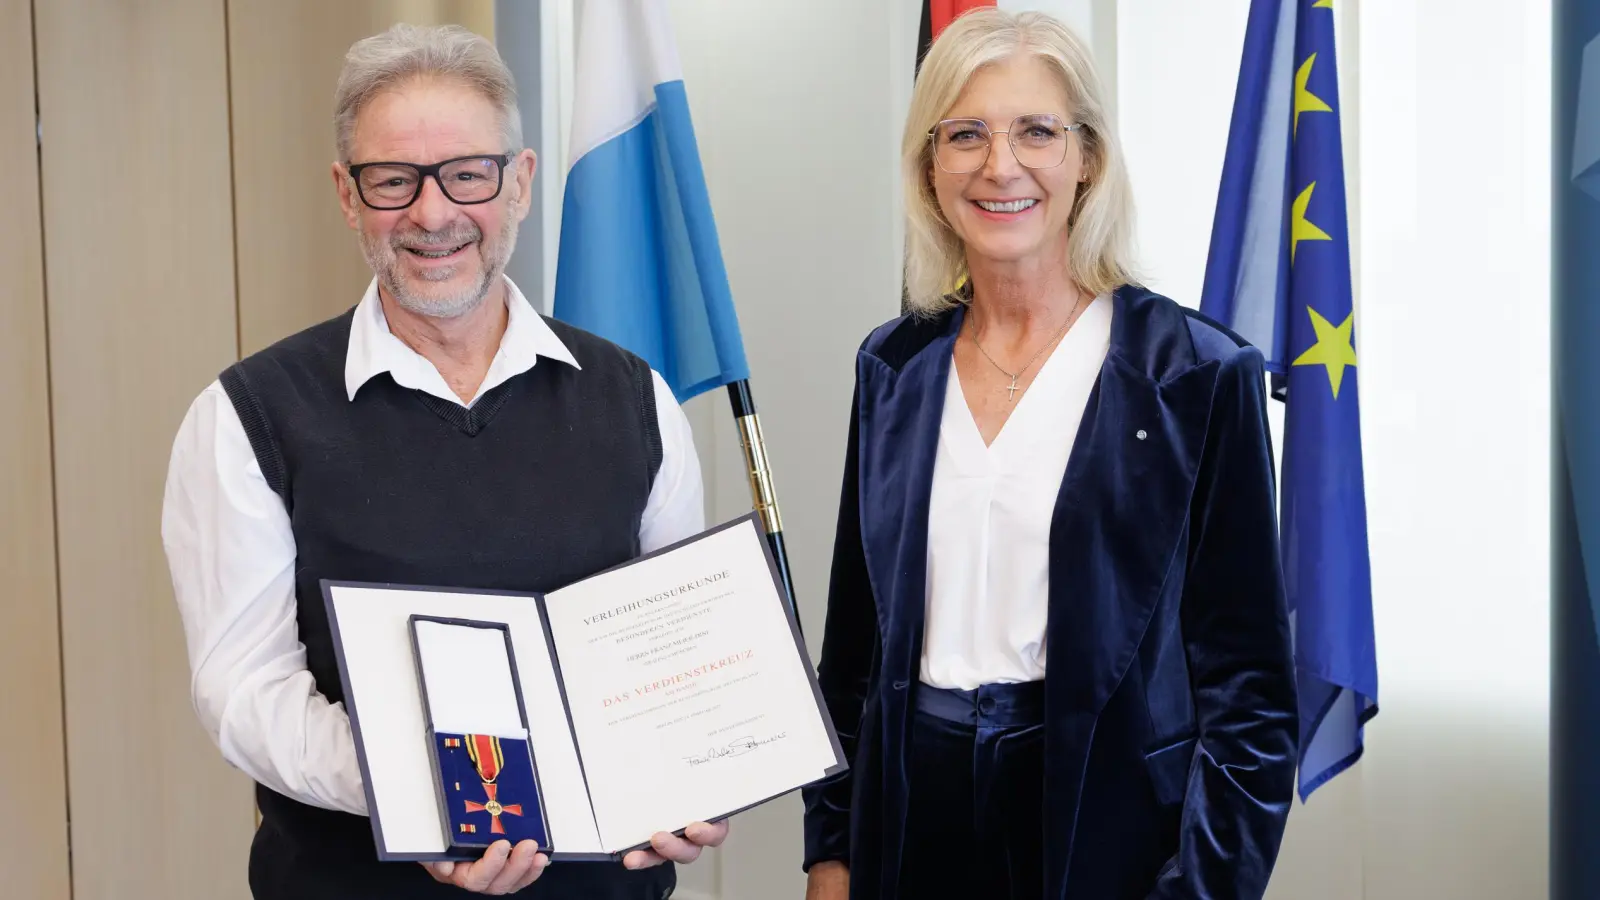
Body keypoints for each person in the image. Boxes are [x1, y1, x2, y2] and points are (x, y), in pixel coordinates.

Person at [161, 23, 725, 900]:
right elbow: (246, 694)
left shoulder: (636, 399)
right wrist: (425, 791)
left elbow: (671, 655)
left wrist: (691, 769)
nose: (433, 214)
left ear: (522, 183)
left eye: (468, 173)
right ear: (348, 196)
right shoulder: (245, 419)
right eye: (394, 181)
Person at [801, 9, 1298, 899]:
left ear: (1088, 159)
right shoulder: (893, 367)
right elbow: (852, 653)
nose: (1001, 166)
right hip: (913, 819)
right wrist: (831, 854)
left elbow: (1252, 699)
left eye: (1037, 131)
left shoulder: (1196, 377)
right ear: (930, 167)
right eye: (965, 136)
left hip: (1105, 823)